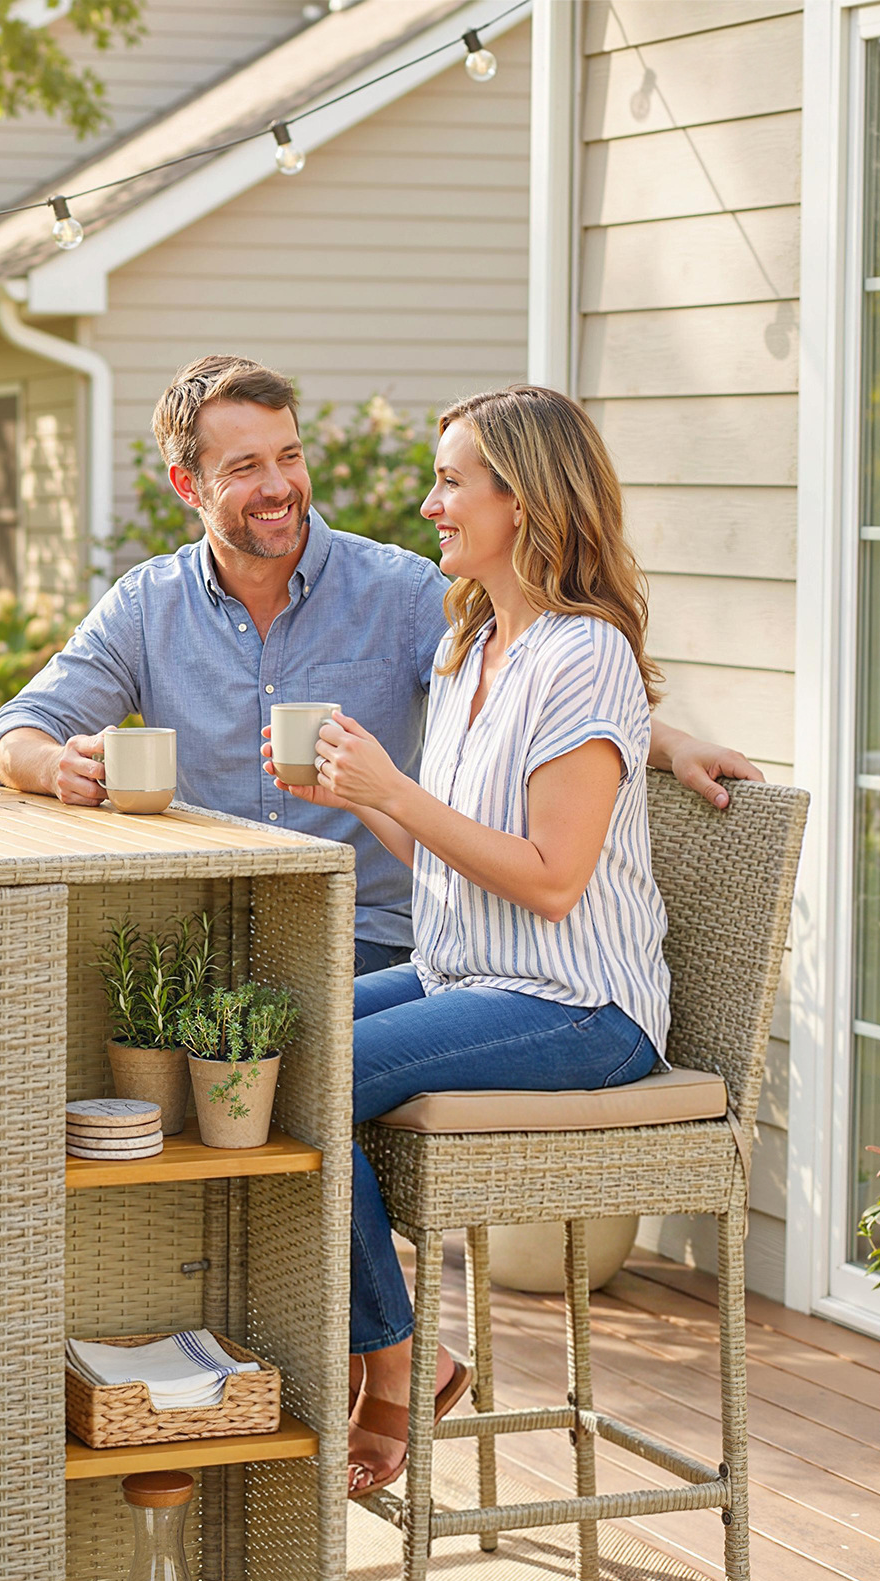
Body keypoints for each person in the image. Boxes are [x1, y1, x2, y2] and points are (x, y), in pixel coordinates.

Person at [0, 355, 763, 975]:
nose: (280, 486)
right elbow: (14, 730)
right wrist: (54, 769)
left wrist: (671, 744)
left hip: (373, 938)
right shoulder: (149, 607)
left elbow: (540, 683)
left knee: (282, 1064)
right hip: (208, 936)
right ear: (189, 484)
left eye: (289, 455)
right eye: (246, 467)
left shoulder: (402, 592)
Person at [262, 384, 681, 1495]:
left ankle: (395, 1359)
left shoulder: (580, 656)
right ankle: (384, 1345)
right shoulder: (468, 647)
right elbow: (451, 838)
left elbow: (551, 880)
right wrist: (362, 793)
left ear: (524, 499)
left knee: (317, 1073)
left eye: (452, 479)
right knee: (253, 1053)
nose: (430, 502)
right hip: (467, 971)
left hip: (575, 1004)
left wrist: (395, 786)